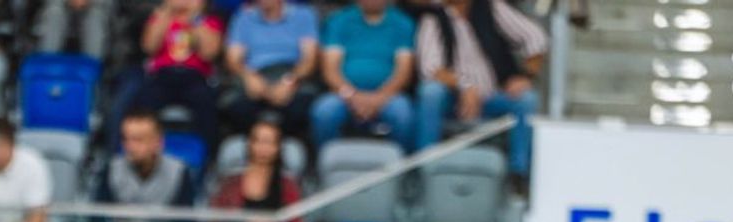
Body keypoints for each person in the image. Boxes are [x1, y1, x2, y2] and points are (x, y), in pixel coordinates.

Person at [415, 0, 546, 182]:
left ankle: (518, 174)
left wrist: (525, 76)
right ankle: (424, 168)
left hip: (492, 97)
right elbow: (430, 68)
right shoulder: (433, 16)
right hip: (453, 100)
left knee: (526, 99)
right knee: (431, 92)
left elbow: (536, 38)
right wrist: (465, 87)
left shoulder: (491, 7)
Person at [208, 117, 303, 222]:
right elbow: (216, 221)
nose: (262, 147)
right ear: (249, 144)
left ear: (278, 147)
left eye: (269, 142)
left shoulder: (288, 185)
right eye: (257, 140)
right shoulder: (231, 181)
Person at [311, 0, 418, 149]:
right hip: (345, 95)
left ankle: (403, 162)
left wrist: (379, 98)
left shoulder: (403, 23)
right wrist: (353, 97)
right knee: (324, 111)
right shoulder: (339, 20)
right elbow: (330, 70)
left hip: (388, 96)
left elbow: (403, 72)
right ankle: (326, 160)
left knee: (403, 114)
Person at [133, 0, 224, 149]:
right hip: (163, 76)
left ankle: (207, 153)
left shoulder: (208, 22)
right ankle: (142, 147)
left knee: (207, 107)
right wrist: (166, 15)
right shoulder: (160, 18)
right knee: (143, 104)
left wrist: (194, 18)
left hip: (195, 77)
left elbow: (209, 53)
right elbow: (149, 47)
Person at [222, 0, 320, 137]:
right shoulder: (244, 17)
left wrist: (289, 81)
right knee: (237, 107)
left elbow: (309, 60)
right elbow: (233, 60)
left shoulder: (303, 15)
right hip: (255, 74)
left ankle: (289, 147)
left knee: (300, 107)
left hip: (291, 73)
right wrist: (248, 76)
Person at [35, 0, 112, 60]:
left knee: (95, 18)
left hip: (96, 8)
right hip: (59, 7)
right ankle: (47, 65)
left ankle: (93, 67)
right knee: (54, 14)